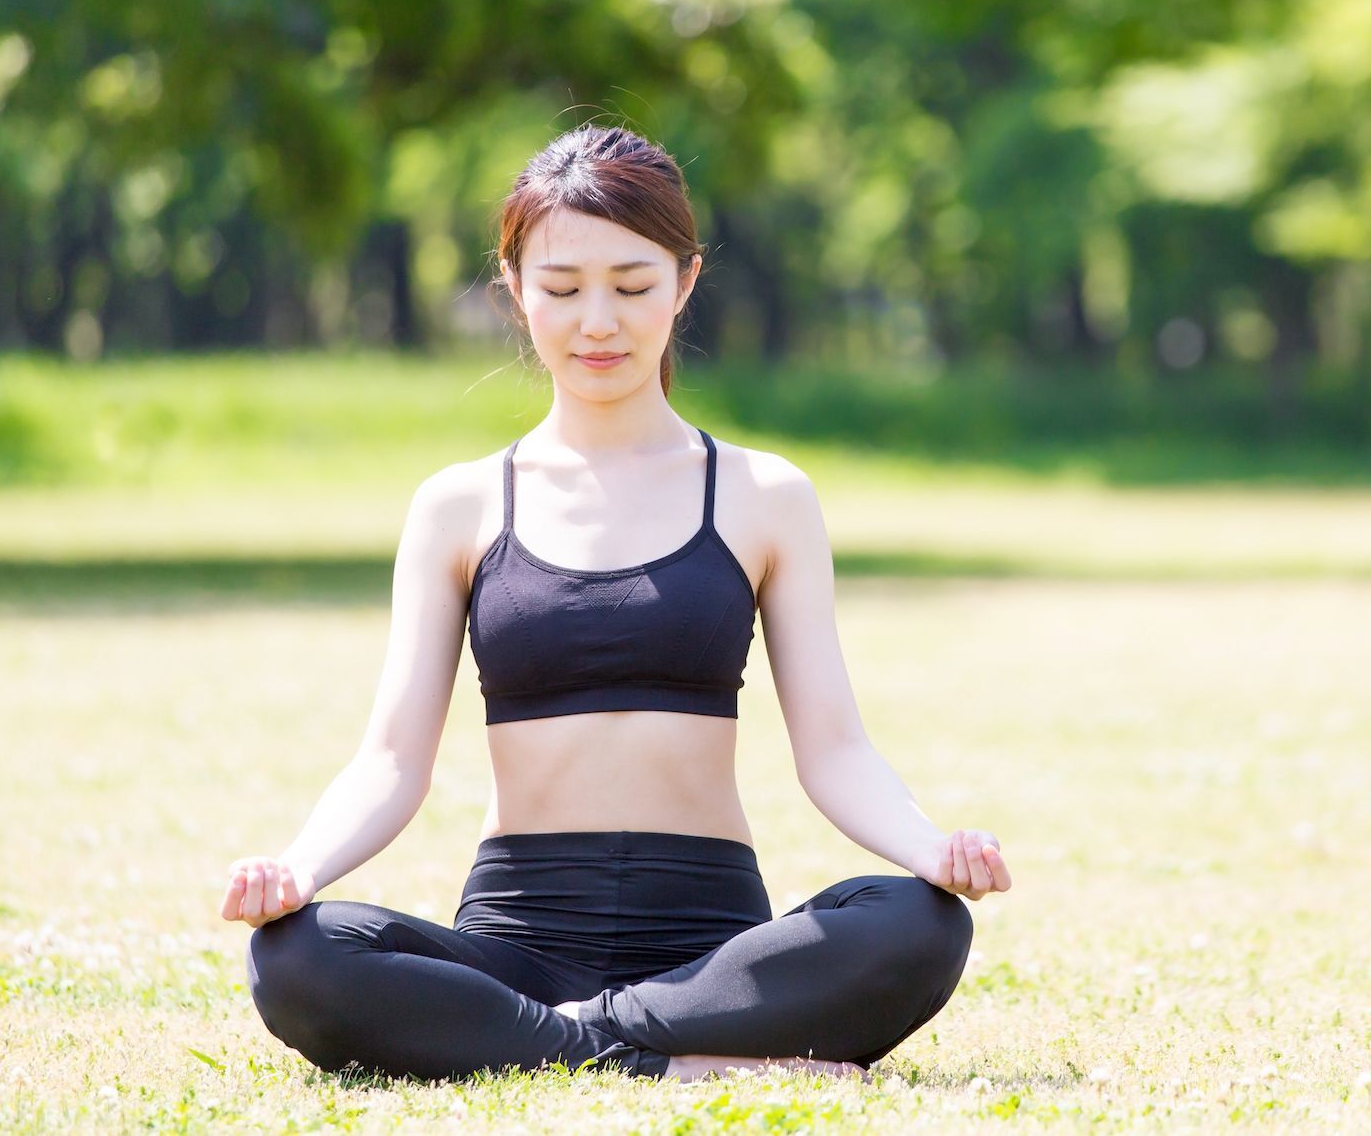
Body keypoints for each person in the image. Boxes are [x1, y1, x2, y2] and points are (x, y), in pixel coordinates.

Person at [219, 123, 1013, 1084]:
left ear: (684, 282)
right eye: (561, 289)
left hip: (709, 948)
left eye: (633, 287)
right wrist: (299, 870)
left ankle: (551, 1039)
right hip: (515, 931)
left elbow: (834, 750)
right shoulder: (459, 505)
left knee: (919, 922)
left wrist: (933, 847)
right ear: (515, 290)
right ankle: (677, 1061)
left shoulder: (765, 495)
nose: (598, 321)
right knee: (298, 954)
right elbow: (391, 760)